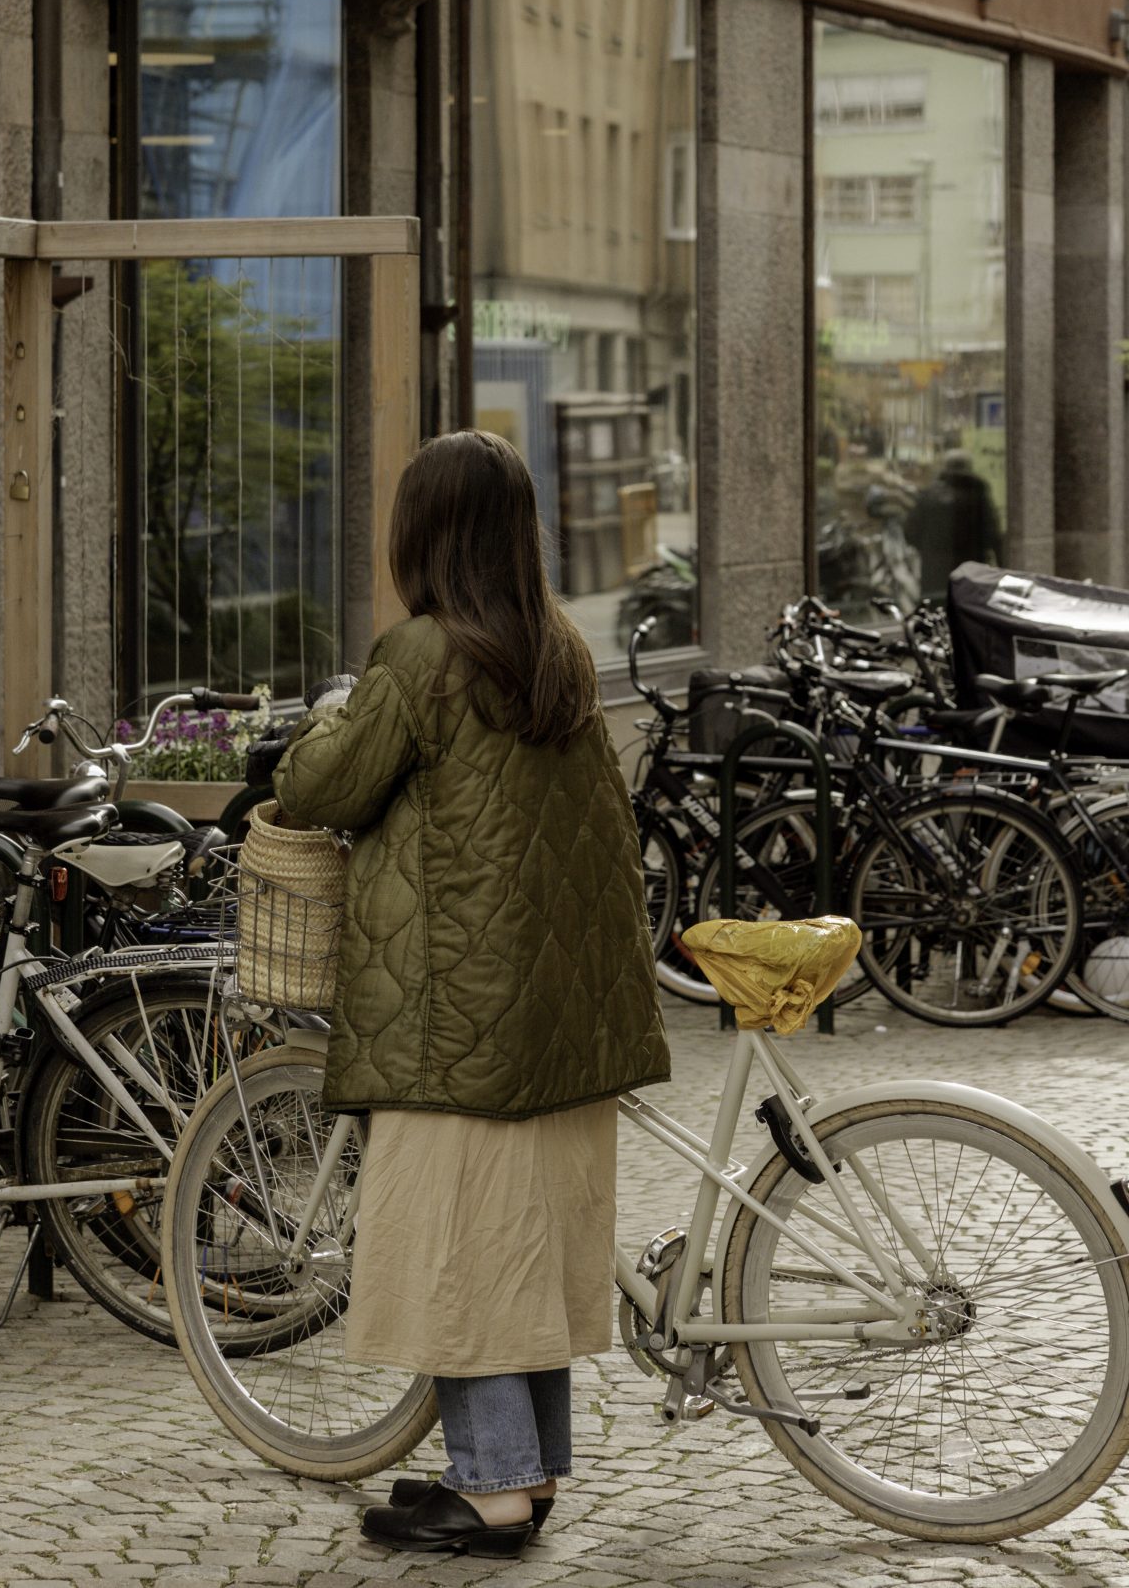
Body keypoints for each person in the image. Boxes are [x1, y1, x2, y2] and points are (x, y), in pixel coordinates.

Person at [272, 428, 671, 1560]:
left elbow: (319, 786)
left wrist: (323, 710)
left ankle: (490, 1487)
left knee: (460, 1249)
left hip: (459, 1015)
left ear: (423, 533)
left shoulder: (422, 655)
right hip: (559, 1016)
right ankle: (527, 1470)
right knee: (525, 1248)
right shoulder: (556, 651)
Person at [903, 447, 1004, 600]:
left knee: (936, 614)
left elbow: (910, 532)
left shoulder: (929, 495)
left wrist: (929, 552)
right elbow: (992, 534)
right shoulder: (977, 494)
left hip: (934, 574)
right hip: (971, 571)